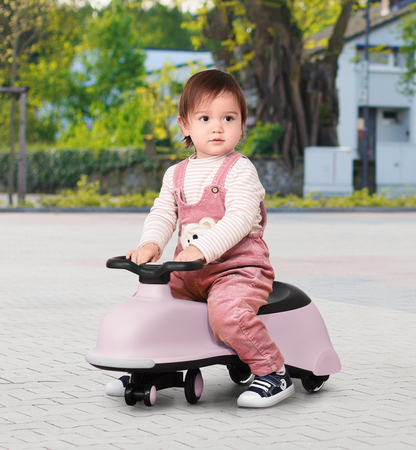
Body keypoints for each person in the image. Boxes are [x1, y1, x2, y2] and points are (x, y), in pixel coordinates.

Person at [105, 69, 294, 408]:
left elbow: (239, 218)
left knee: (228, 315)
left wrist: (201, 250)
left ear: (242, 124)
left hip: (238, 269)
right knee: (152, 303)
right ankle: (150, 366)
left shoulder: (240, 170)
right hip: (189, 270)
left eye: (229, 118)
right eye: (205, 117)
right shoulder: (175, 173)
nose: (218, 126)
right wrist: (151, 244)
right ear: (185, 125)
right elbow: (163, 213)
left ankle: (273, 372)